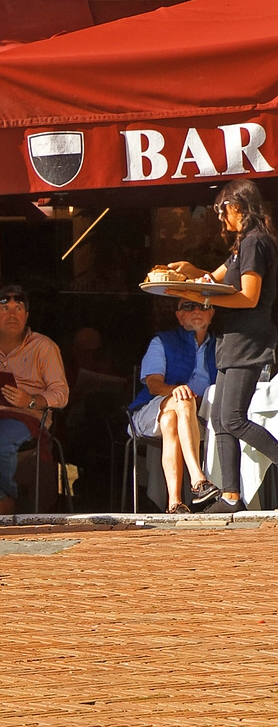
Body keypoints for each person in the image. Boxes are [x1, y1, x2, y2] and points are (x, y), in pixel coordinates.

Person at [168, 179, 278, 513]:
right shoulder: (242, 244)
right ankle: (231, 496)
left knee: (232, 418)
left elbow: (249, 296)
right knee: (218, 418)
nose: (220, 218)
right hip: (233, 340)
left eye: (221, 210)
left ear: (238, 206)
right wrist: (190, 275)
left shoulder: (256, 243)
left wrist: (196, 296)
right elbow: (214, 279)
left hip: (250, 339)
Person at [0, 284, 70, 515]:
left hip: (26, 418)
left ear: (27, 316)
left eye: (18, 308)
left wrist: (31, 400)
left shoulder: (44, 347)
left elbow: (61, 394)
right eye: (5, 309)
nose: (12, 314)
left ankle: (3, 502)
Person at [129, 300, 220, 514]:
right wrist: (175, 389)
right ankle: (198, 479)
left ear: (212, 313)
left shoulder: (221, 346)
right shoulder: (162, 341)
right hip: (152, 410)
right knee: (182, 400)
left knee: (172, 419)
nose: (197, 310)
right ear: (179, 315)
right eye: (188, 307)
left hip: (198, 416)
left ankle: (174, 503)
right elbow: (153, 385)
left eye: (203, 306)